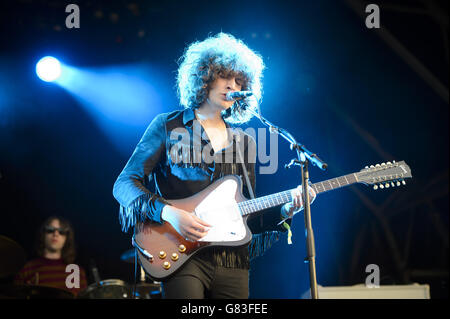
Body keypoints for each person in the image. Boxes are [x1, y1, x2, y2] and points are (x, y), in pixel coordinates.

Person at [113, 32, 316, 299]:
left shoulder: (244, 142)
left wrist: (287, 208)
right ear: (205, 76)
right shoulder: (168, 125)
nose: (232, 85)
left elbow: (248, 216)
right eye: (225, 76)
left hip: (231, 260)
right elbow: (124, 184)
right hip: (180, 252)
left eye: (239, 80)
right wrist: (169, 213)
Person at [14, 216, 87, 297]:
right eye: (50, 230)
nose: (55, 234)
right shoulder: (28, 268)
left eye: (61, 231)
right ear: (43, 235)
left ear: (67, 238)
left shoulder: (76, 271)